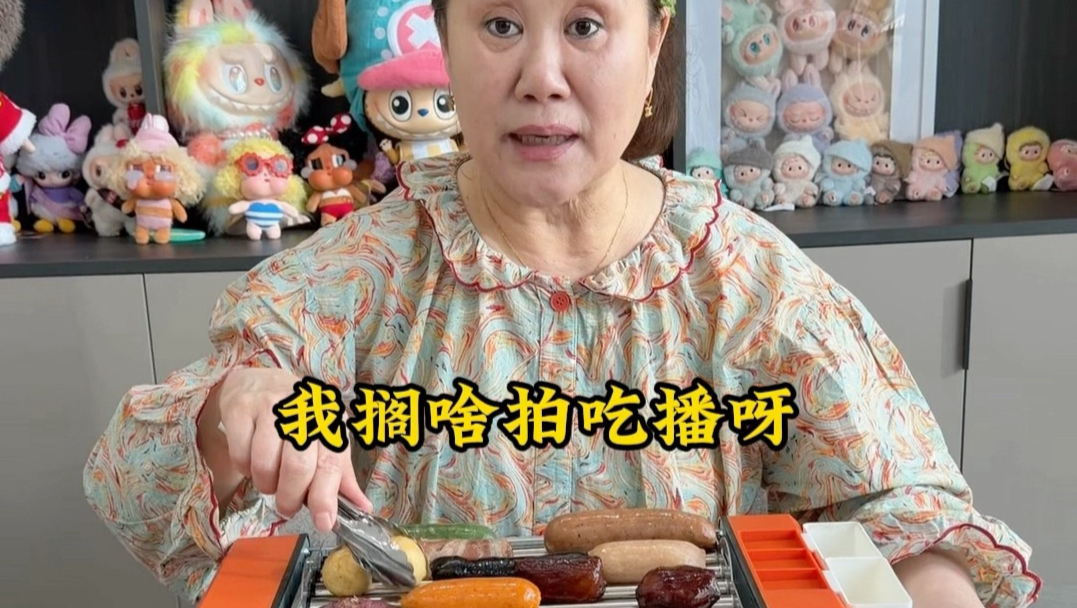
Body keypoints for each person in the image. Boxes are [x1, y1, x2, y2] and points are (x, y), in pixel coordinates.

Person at [83, 1, 1040, 607]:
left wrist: (931, 586)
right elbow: (134, 493)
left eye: (585, 25)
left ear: (653, 40)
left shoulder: (747, 279)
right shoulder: (358, 273)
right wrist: (231, 411)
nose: (541, 76)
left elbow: (905, 512)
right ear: (447, 41)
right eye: (500, 25)